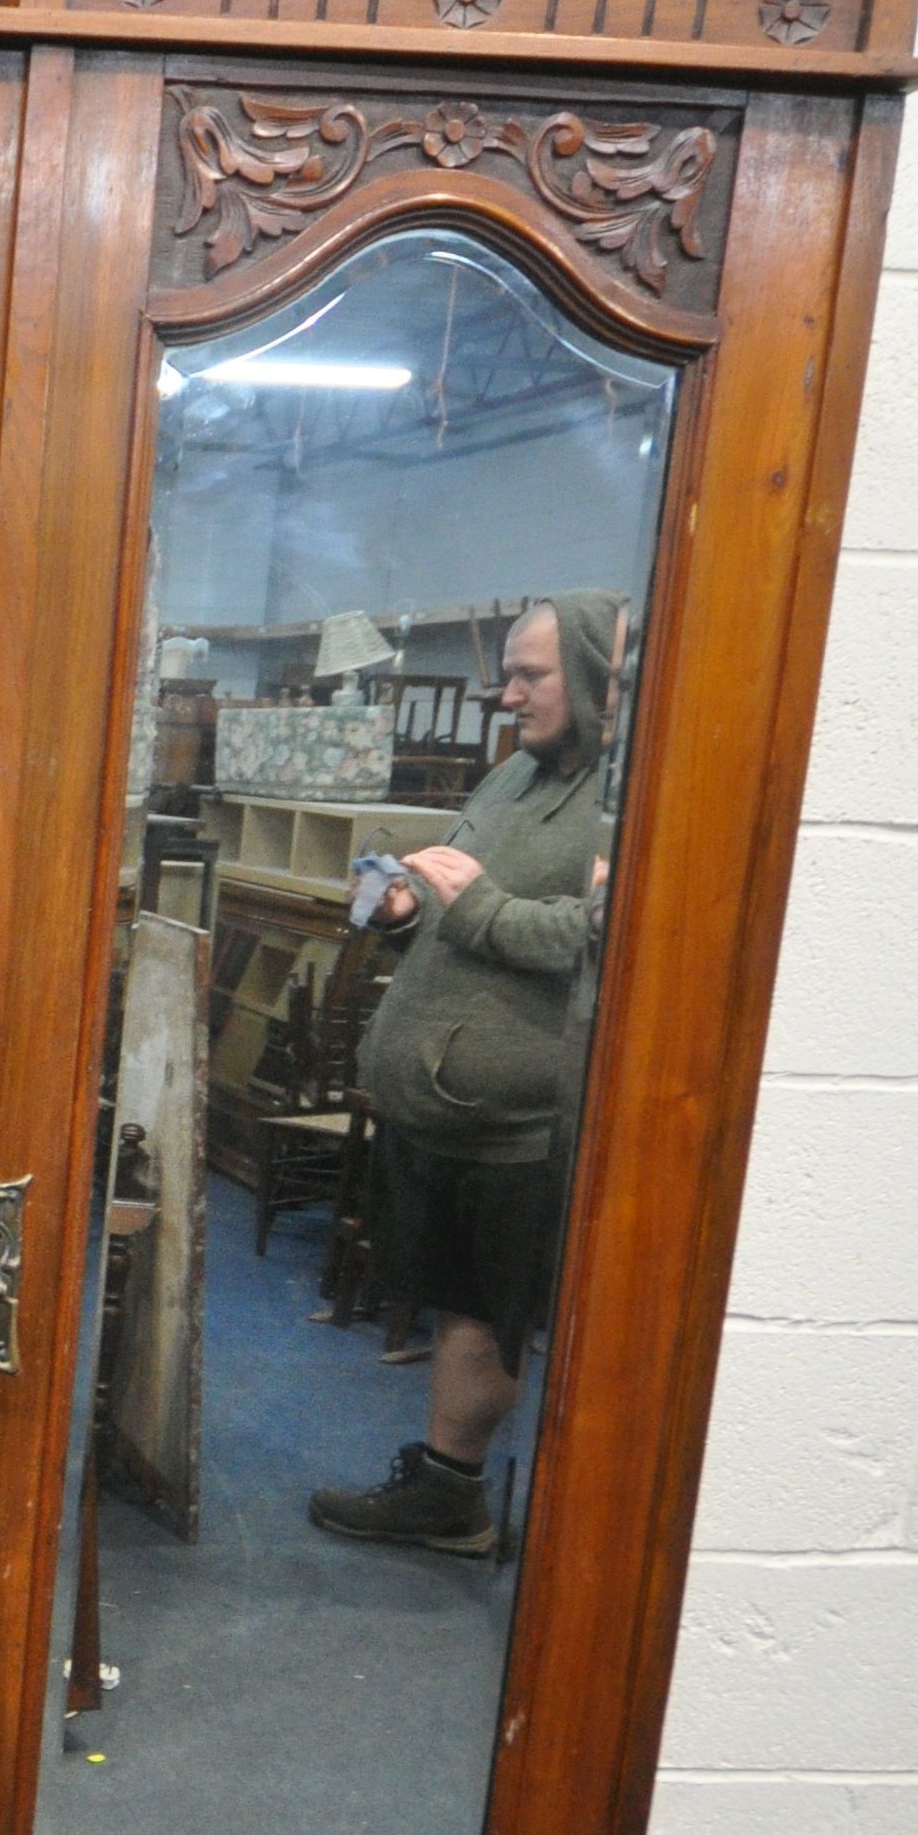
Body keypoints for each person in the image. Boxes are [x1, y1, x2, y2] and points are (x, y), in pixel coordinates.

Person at [308, 589, 626, 1557]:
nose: (506, 694)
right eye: (509, 673)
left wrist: (476, 906)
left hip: (516, 1124)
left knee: (488, 1315)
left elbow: (604, 937)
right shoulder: (513, 778)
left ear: (594, 676)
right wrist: (408, 906)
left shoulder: (630, 797)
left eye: (529, 676)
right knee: (460, 1306)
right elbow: (462, 894)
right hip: (444, 1106)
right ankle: (447, 1489)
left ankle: (453, 1498)